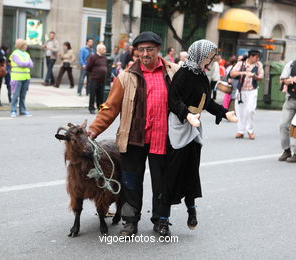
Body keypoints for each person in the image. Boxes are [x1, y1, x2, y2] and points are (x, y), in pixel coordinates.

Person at [87, 31, 180, 236]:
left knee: (162, 183)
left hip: (163, 139)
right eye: (141, 50)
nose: (145, 54)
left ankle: (161, 221)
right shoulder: (125, 77)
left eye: (150, 49)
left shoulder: (174, 72)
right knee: (131, 183)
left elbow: (188, 100)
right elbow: (110, 108)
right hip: (133, 139)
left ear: (158, 50)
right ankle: (130, 222)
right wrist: (93, 130)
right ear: (136, 52)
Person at [157, 40, 238, 236]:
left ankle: (191, 209)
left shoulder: (201, 76)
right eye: (208, 58)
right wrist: (187, 115)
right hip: (180, 126)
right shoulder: (183, 75)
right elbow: (173, 100)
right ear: (199, 56)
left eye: (211, 58)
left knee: (191, 171)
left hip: (194, 127)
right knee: (173, 173)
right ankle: (163, 220)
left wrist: (224, 112)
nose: (210, 61)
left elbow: (207, 102)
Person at [230, 49, 264, 140]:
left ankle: (250, 131)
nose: (258, 59)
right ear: (251, 56)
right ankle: (240, 131)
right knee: (240, 111)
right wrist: (244, 73)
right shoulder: (241, 64)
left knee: (250, 110)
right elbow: (232, 73)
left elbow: (261, 77)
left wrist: (254, 76)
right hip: (241, 90)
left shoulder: (259, 65)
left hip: (252, 90)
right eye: (256, 57)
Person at [9, 39, 33, 118]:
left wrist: (26, 64)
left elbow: (31, 64)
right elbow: (20, 64)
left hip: (26, 77)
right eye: (25, 45)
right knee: (15, 96)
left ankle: (22, 111)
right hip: (17, 78)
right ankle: (13, 110)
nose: (26, 46)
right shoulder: (15, 54)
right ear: (21, 45)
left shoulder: (26, 54)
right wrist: (27, 63)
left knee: (23, 96)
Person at [86, 43, 107, 114]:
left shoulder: (104, 57)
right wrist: (94, 74)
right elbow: (88, 67)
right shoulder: (93, 57)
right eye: (104, 49)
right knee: (93, 94)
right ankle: (91, 108)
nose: (105, 50)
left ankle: (100, 107)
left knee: (100, 94)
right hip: (94, 79)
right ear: (99, 50)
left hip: (102, 79)